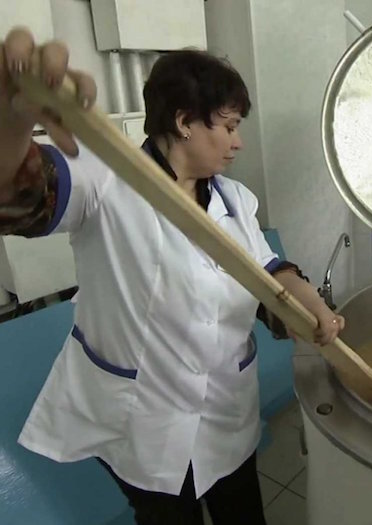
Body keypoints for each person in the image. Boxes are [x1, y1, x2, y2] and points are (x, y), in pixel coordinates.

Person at [0, 26, 345, 525]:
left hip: (226, 414)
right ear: (184, 122)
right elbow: (14, 195)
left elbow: (266, 272)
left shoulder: (233, 199)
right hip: (144, 424)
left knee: (243, 514)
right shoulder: (102, 178)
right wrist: (11, 119)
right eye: (228, 126)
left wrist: (305, 300)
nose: (238, 142)